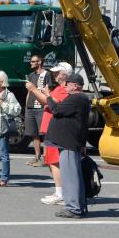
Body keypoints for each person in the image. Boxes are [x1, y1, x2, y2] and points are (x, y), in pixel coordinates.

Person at [26, 61, 73, 205]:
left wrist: (35, 90)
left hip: (55, 130)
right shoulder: (59, 88)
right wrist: (41, 93)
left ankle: (61, 194)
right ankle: (60, 192)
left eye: (58, 72)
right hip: (50, 129)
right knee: (52, 162)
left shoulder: (65, 89)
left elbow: (54, 104)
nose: (55, 75)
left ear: (65, 74)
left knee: (54, 163)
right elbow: (47, 102)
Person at [44, 73, 91, 218]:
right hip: (70, 142)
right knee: (74, 176)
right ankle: (78, 206)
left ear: (75, 85)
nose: (65, 86)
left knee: (70, 177)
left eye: (68, 83)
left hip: (68, 143)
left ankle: (73, 208)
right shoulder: (80, 99)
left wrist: (48, 96)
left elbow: (56, 110)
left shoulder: (77, 98)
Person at [24, 53, 51, 166]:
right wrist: (26, 105)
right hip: (30, 108)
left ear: (39, 62)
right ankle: (37, 157)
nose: (31, 63)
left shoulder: (47, 74)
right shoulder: (31, 75)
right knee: (34, 134)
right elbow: (29, 91)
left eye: (33, 61)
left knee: (44, 134)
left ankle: (46, 158)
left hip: (41, 107)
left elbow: (48, 90)